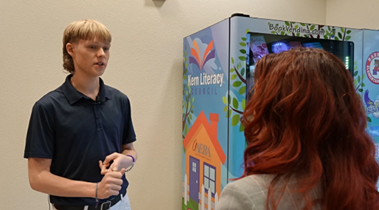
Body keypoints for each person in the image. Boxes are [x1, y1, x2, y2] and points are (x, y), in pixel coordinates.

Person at [216, 48, 379, 210]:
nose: (252, 111)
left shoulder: (244, 196)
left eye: (259, 101)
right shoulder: (361, 188)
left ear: (279, 115)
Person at [24, 19, 137, 210]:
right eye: (92, 47)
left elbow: (129, 149)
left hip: (120, 204)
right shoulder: (47, 107)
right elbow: (38, 178)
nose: (101, 54)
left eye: (106, 48)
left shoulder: (120, 100)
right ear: (71, 49)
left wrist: (129, 159)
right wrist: (95, 189)